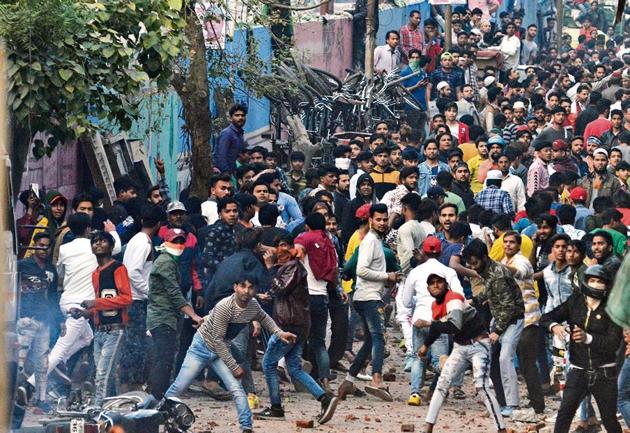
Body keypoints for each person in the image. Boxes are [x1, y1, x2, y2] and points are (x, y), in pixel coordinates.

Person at [165, 277, 297, 433]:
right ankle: (156, 416)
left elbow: (264, 318)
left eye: (250, 287)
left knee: (236, 389)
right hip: (201, 347)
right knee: (178, 388)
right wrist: (234, 367)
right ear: (235, 287)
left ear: (255, 290)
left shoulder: (253, 305)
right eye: (242, 286)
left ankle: (246, 427)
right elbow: (217, 341)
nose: (246, 291)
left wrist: (279, 333)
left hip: (220, 350)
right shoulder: (225, 306)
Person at [257, 235, 339, 424]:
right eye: (279, 246)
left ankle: (276, 408)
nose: (281, 250)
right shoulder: (289, 267)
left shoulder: (294, 266)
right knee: (294, 368)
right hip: (298, 322)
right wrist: (270, 296)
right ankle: (324, 398)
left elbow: (282, 288)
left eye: (285, 245)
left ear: (293, 248)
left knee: (268, 363)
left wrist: (270, 268)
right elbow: (285, 292)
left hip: (289, 324)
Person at [417, 268, 507, 433]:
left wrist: (429, 324)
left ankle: (501, 429)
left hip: (478, 344)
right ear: (428, 289)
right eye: (432, 284)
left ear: (446, 285)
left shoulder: (454, 298)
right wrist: (426, 345)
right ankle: (428, 427)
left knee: (481, 385)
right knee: (442, 383)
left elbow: (453, 325)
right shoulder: (436, 305)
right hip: (460, 346)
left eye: (439, 282)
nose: (435, 286)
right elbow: (438, 328)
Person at [540, 265, 623, 433]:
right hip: (578, 370)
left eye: (600, 281)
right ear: (585, 282)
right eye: (592, 280)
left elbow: (612, 343)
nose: (596, 284)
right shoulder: (575, 302)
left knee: (609, 419)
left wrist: (588, 338)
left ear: (607, 285)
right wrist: (554, 326)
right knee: (564, 414)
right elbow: (546, 317)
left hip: (604, 373)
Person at [338, 204, 401, 402]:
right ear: (370, 220)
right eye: (378, 220)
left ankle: (348, 381)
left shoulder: (375, 241)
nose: (382, 223)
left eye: (384, 220)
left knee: (371, 341)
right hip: (369, 297)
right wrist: (387, 275)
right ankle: (376, 379)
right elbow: (361, 270)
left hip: (364, 296)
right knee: (378, 337)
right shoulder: (370, 242)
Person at [462, 239, 525, 417]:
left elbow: (509, 307)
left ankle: (512, 404)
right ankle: (502, 400)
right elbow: (489, 292)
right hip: (500, 319)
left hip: (512, 320)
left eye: (475, 263)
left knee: (505, 358)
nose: (473, 267)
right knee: (493, 359)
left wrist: (497, 330)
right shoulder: (488, 271)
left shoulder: (497, 274)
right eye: (470, 263)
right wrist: (473, 301)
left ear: (484, 257)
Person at [71, 231, 132, 406]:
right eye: (95, 242)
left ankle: (98, 409)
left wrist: (95, 303)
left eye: (103, 241)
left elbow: (127, 299)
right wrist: (85, 312)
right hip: (100, 331)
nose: (98, 244)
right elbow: (102, 304)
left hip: (115, 329)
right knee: (105, 373)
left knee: (102, 374)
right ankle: (113, 407)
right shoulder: (95, 273)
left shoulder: (118, 268)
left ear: (111, 247)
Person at [402, 236, 464, 405]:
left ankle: (415, 393)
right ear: (441, 251)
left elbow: (406, 301)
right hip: (438, 321)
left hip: (419, 319)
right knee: (439, 360)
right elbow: (459, 295)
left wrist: (419, 300)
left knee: (417, 357)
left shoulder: (415, 272)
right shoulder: (448, 272)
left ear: (423, 251)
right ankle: (447, 373)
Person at [147, 227, 204, 399]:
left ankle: (156, 396)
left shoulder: (170, 261)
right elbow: (174, 293)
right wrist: (193, 315)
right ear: (166, 242)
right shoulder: (166, 262)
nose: (179, 245)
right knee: (164, 360)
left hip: (167, 317)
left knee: (164, 359)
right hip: (162, 317)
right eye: (175, 241)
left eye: (181, 241)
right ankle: (157, 397)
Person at [500, 231, 545, 419]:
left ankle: (537, 404)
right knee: (514, 360)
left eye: (512, 242)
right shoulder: (503, 262)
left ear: (518, 246)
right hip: (514, 319)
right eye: (506, 242)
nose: (508, 245)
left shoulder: (522, 261)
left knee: (527, 363)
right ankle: (523, 401)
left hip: (529, 318)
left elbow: (521, 272)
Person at [120, 205, 163, 392]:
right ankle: (131, 385)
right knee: (135, 345)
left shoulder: (136, 239)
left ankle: (130, 383)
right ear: (159, 224)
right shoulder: (144, 243)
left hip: (133, 299)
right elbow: (133, 272)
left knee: (134, 343)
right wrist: (148, 292)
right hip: (136, 301)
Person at [15, 232, 60, 411]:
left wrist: (60, 320)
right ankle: (13, 398)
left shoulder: (51, 269)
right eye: (40, 245)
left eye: (47, 247)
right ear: (34, 245)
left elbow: (53, 296)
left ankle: (41, 398)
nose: (43, 250)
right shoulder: (22, 265)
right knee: (19, 360)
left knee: (42, 362)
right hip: (25, 319)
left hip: (44, 320)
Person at [294, 213, 338, 392]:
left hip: (304, 296)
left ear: (307, 226)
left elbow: (296, 253)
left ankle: (296, 373)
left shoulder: (305, 237)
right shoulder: (329, 242)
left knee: (296, 337)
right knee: (319, 342)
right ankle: (325, 380)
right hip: (322, 296)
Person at [214, 103, 248, 173]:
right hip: (225, 173)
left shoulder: (239, 133)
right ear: (230, 118)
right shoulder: (227, 133)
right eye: (237, 115)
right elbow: (221, 156)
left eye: (242, 115)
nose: (240, 118)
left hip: (234, 170)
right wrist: (226, 174)